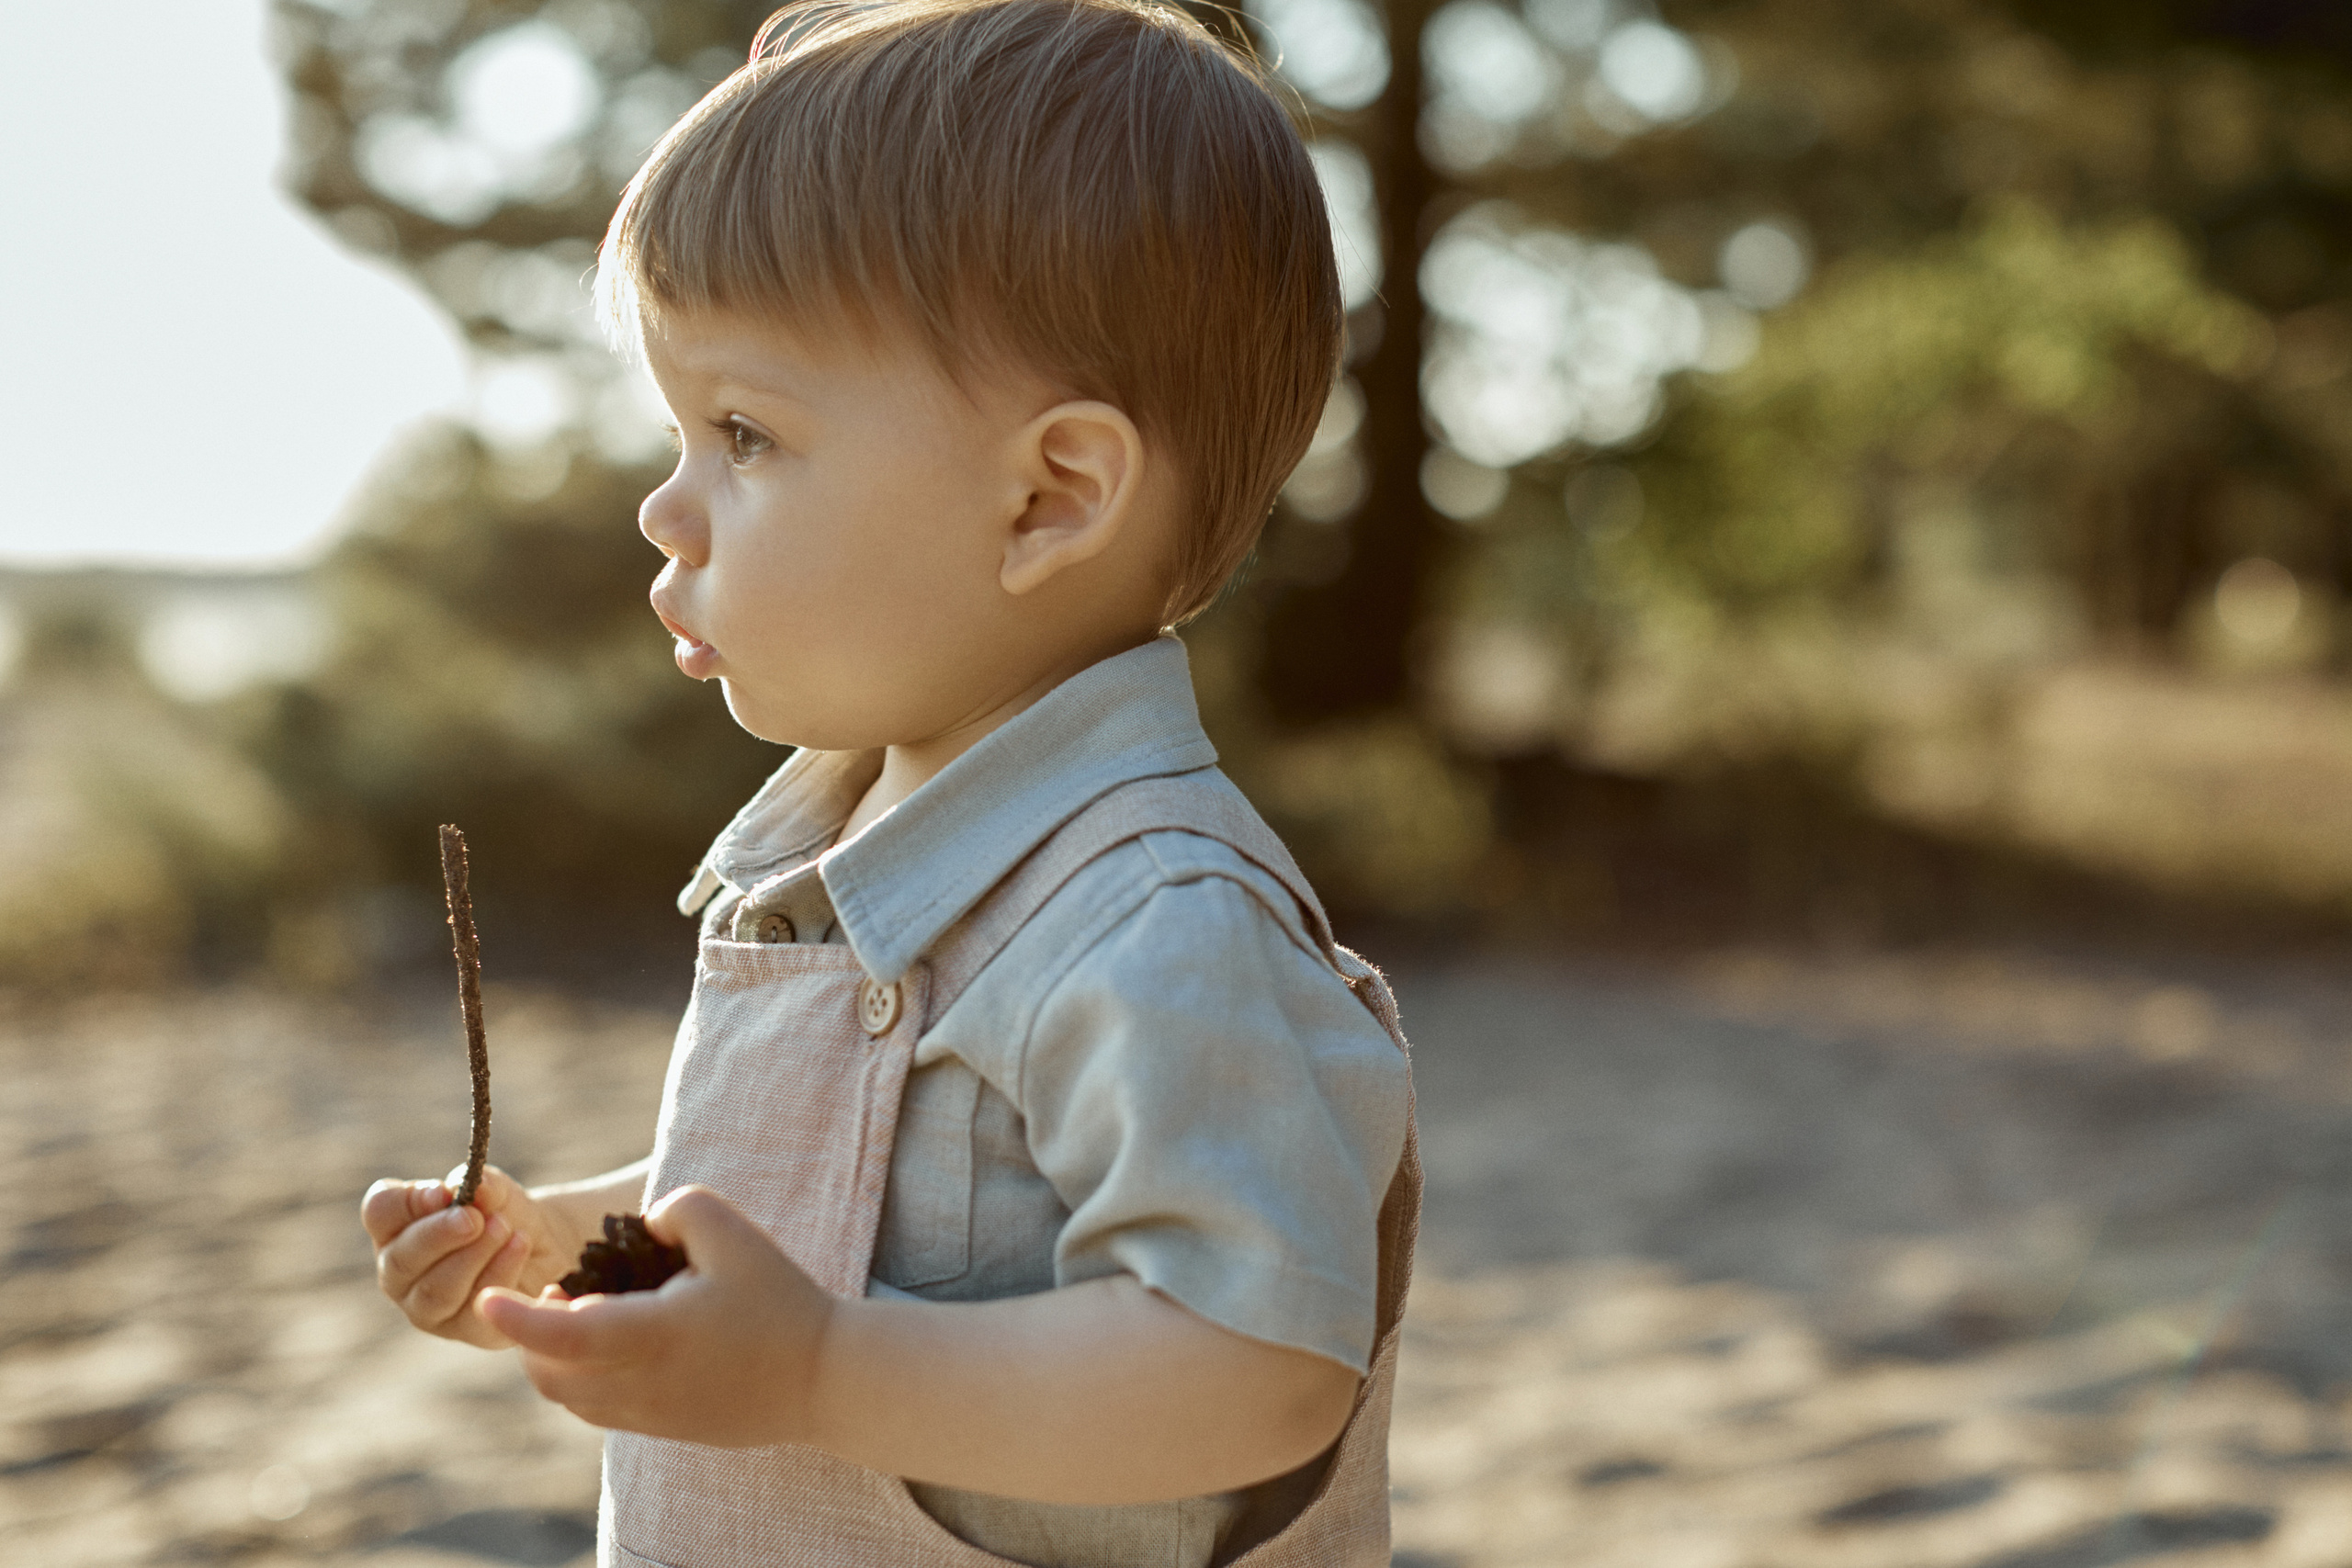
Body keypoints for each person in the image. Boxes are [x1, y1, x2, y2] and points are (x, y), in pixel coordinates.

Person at [359, 1, 1418, 1562]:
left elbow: (1257, 1366)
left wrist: (818, 1369)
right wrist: (576, 1246)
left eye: (744, 433)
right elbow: (834, 1194)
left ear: (1050, 498)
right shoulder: (862, 853)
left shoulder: (1153, 915)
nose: (667, 508)